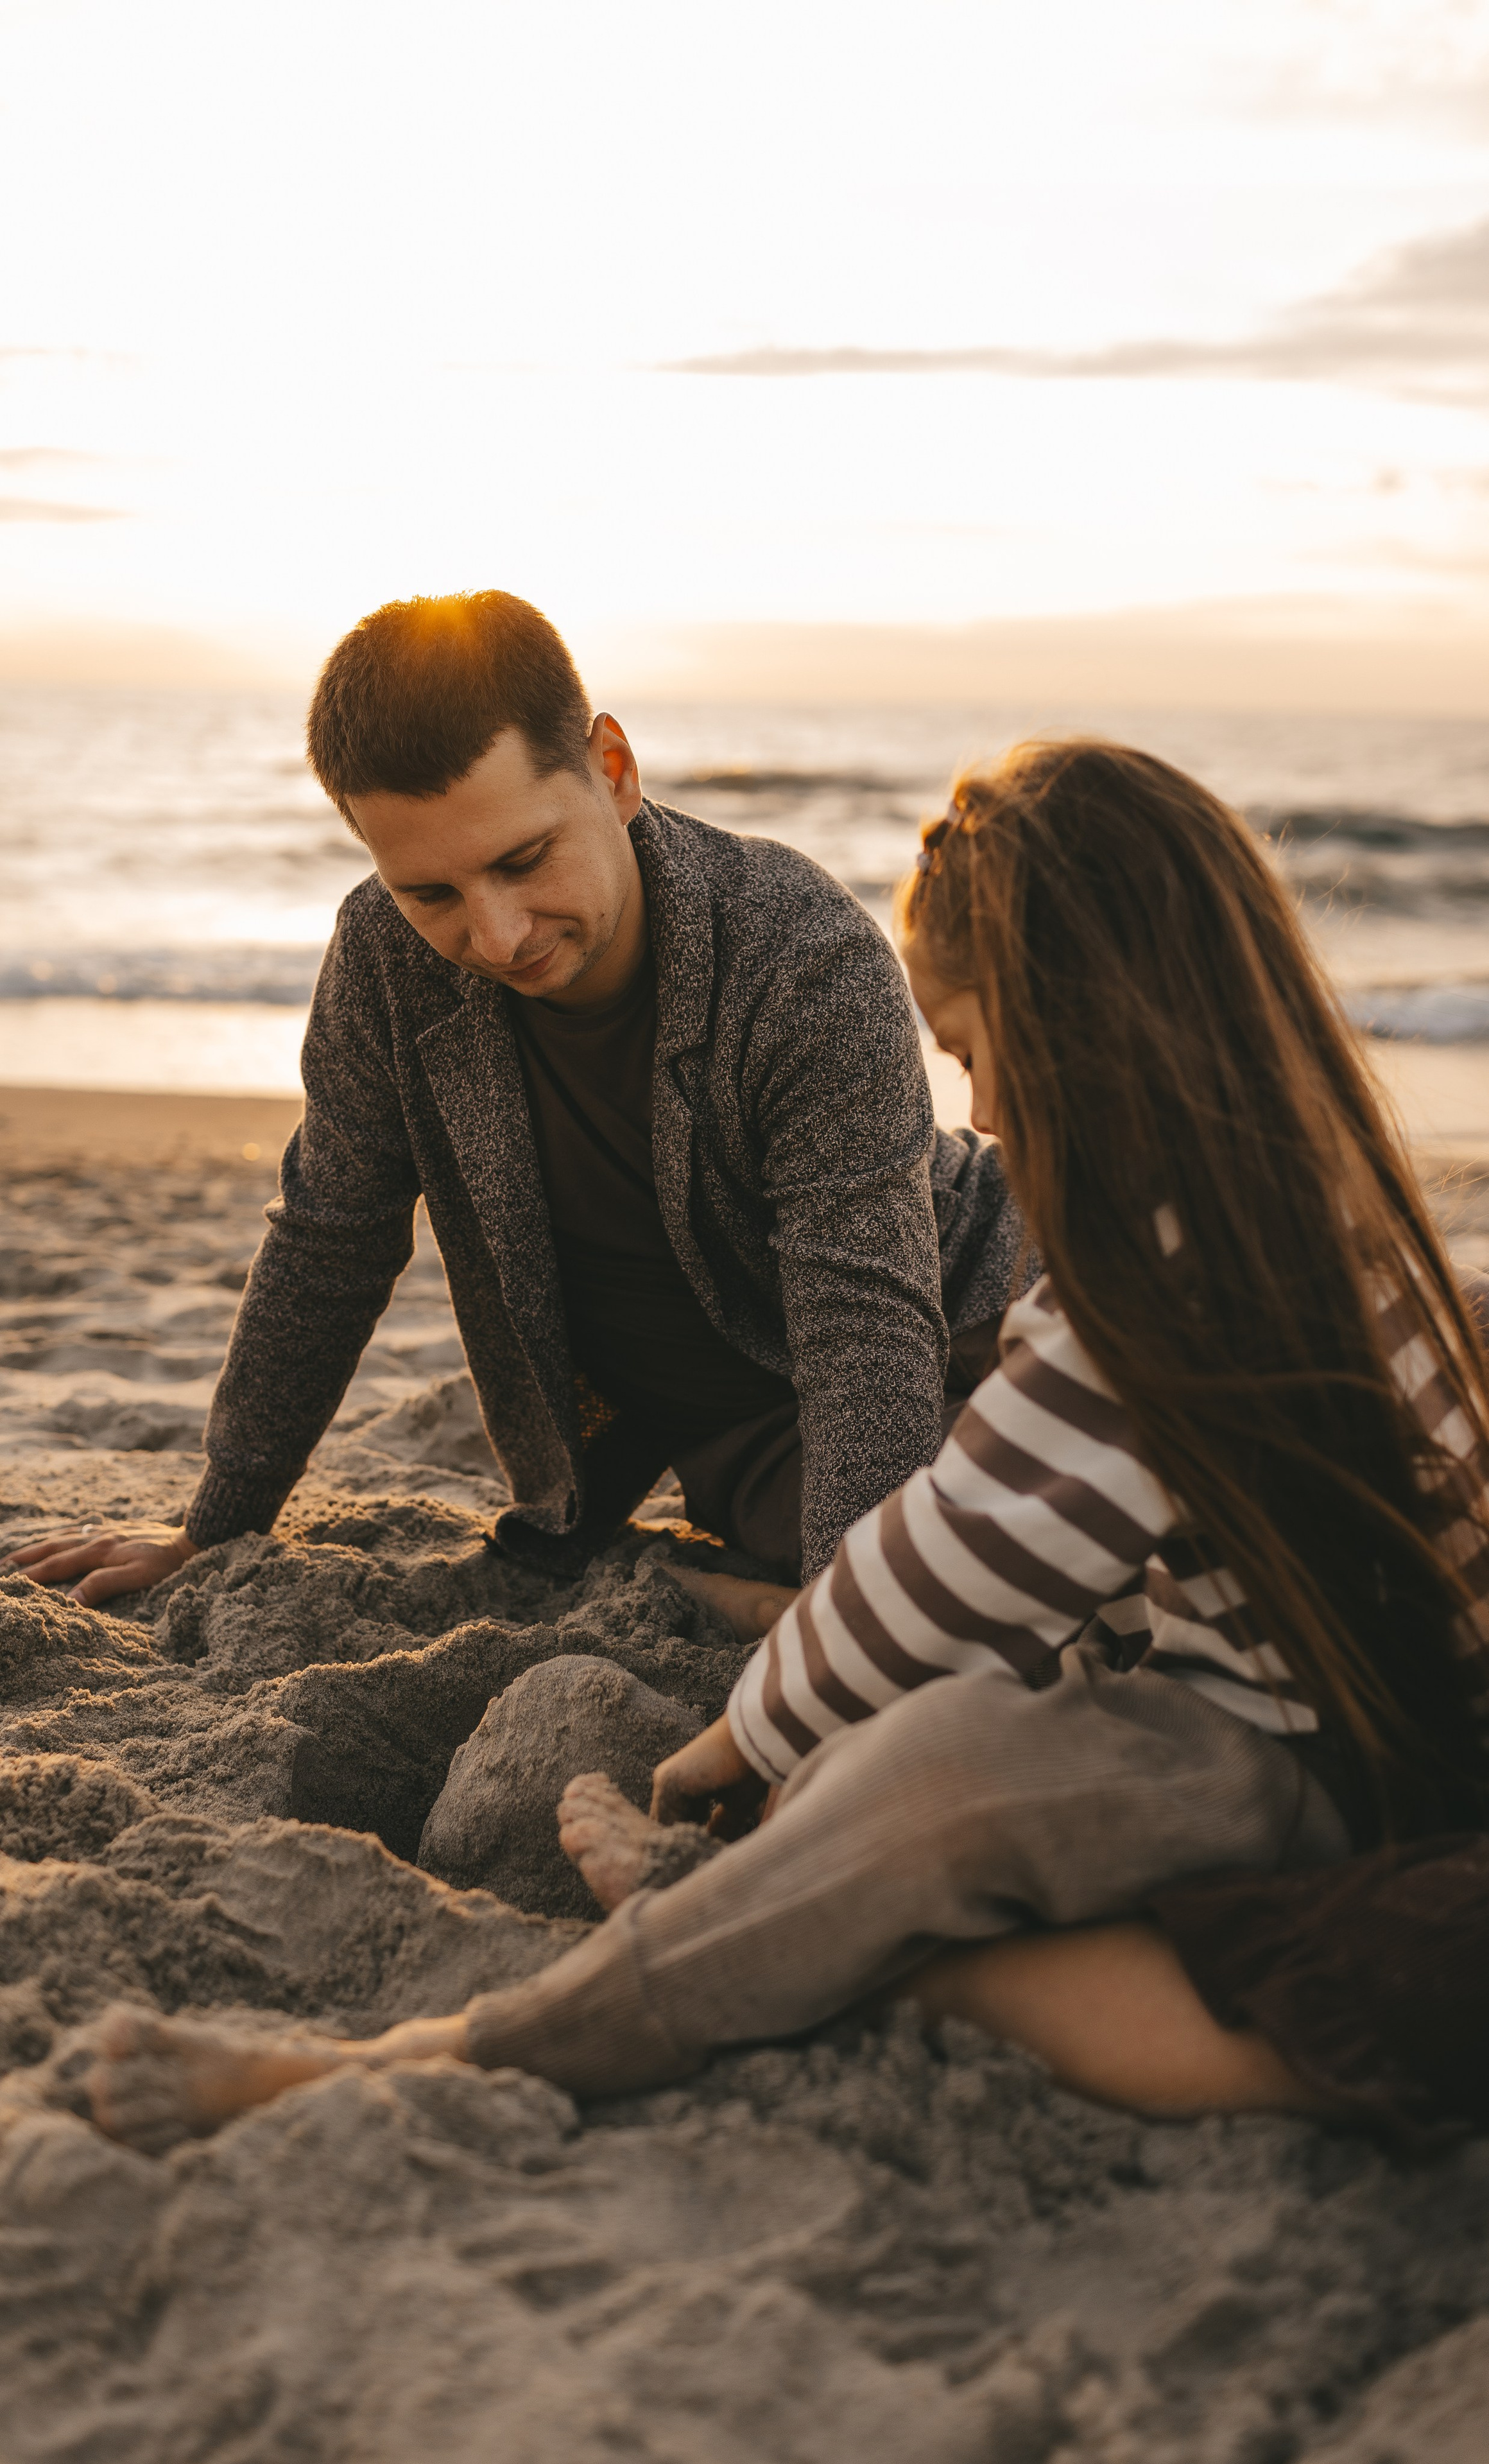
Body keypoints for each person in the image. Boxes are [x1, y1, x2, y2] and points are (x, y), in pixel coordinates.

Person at [87, 737, 1489, 2153]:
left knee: (928, 1769)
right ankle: (770, 1863)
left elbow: (940, 1561)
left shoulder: (1137, 1299)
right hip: (1306, 1699)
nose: (983, 1113)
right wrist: (223, 1511)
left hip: (1286, 1761)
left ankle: (437, 2050)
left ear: (1086, 1023)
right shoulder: (1320, 1203)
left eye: (975, 1054)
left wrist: (738, 1738)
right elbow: (330, 1232)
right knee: (943, 1708)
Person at [9, 591, 1024, 1606]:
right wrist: (212, 1529)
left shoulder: (797, 950)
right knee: (993, 1570)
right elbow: (332, 1240)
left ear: (613, 771)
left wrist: (845, 1637)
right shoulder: (383, 962)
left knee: (1128, 1490)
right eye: (433, 893)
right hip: (757, 1437)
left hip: (996, 1288)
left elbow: (864, 1317)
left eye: (523, 859)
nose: (497, 938)